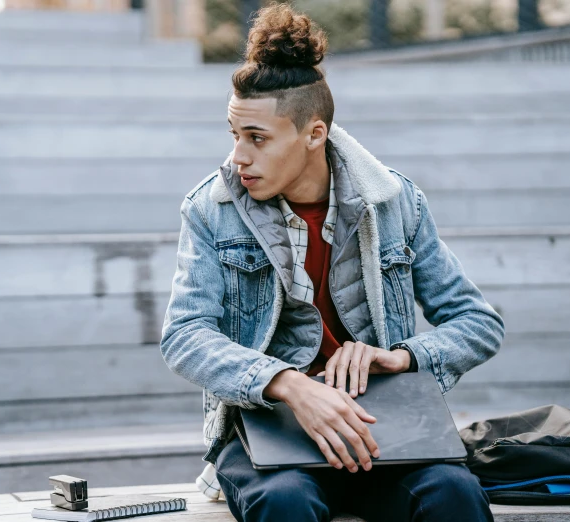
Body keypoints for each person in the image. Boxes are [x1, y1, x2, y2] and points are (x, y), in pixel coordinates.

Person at [160, 4, 505, 521]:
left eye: (257, 138)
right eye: (235, 135)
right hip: (268, 431)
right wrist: (287, 383)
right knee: (286, 502)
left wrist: (403, 357)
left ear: (313, 134)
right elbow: (184, 334)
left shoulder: (395, 202)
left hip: (381, 427)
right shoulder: (212, 208)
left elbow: (478, 324)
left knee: (452, 493)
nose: (238, 157)